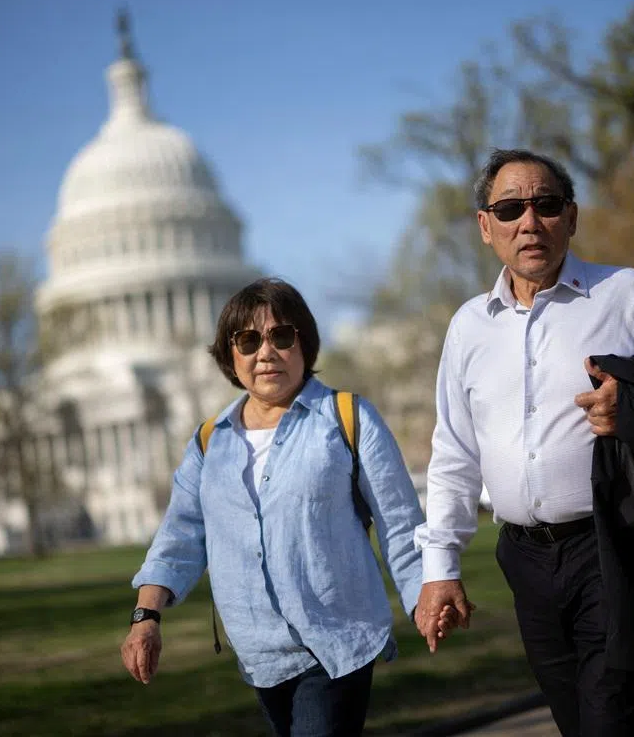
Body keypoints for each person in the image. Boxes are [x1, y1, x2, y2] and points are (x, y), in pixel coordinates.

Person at [412, 149, 634, 736]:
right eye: (511, 208)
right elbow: (454, 456)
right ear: (486, 226)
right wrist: (439, 569)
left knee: (610, 720)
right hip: (525, 560)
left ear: (571, 216)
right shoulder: (469, 326)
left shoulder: (630, 296)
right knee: (577, 722)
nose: (530, 222)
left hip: (614, 549)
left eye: (545, 205)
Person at [121, 277, 424, 737]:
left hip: (336, 640)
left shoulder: (346, 418)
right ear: (230, 356)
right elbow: (179, 538)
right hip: (259, 653)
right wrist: (146, 618)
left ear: (305, 344)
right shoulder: (209, 442)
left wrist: (426, 594)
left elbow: (399, 521)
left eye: (282, 336)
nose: (266, 352)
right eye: (248, 340)